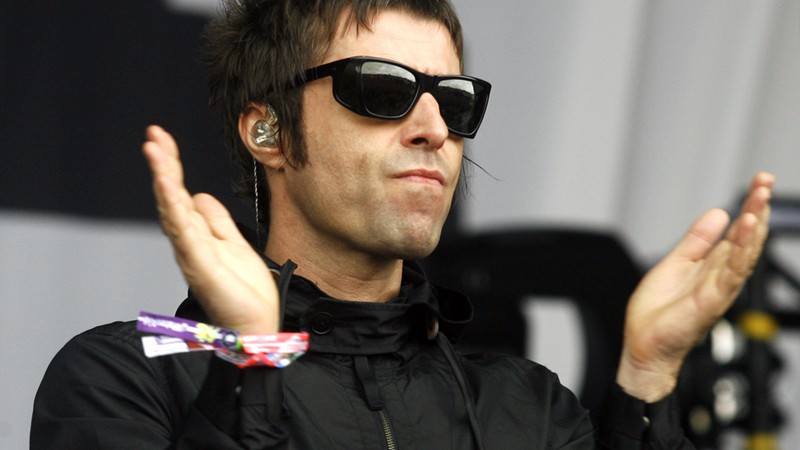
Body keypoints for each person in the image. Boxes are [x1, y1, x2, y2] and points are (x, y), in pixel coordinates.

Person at [31, 0, 775, 448]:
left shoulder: (526, 403)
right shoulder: (128, 371)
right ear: (269, 134)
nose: (432, 128)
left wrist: (646, 380)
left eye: (453, 101)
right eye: (381, 88)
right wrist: (252, 362)